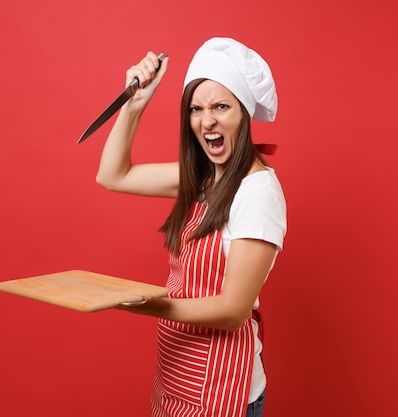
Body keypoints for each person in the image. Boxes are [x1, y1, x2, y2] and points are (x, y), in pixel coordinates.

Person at [96, 37, 287, 417]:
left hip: (223, 391)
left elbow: (233, 310)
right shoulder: (201, 178)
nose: (207, 120)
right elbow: (113, 175)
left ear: (244, 114)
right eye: (196, 108)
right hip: (177, 379)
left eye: (221, 106)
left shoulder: (257, 192)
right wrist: (135, 104)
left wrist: (149, 306)